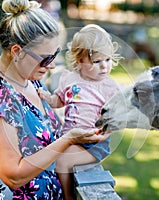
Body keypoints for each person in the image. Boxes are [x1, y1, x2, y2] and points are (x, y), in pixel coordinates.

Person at [0, 1, 111, 199]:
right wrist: (68, 140)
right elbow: (13, 177)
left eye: (55, 56)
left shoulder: (31, 80)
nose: (51, 66)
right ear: (17, 51)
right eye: (46, 59)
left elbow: (48, 138)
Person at [38, 24, 122, 200]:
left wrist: (103, 134)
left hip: (94, 143)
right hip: (70, 137)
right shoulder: (70, 79)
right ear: (79, 61)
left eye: (107, 60)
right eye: (97, 62)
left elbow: (116, 119)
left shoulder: (109, 87)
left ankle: (68, 198)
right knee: (48, 155)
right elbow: (60, 100)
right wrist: (47, 98)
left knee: (62, 160)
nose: (104, 67)